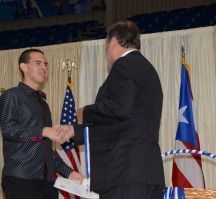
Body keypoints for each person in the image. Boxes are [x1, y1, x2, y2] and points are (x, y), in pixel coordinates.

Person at [56, 20, 165, 199]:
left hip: (123, 173)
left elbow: (119, 109)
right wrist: (74, 132)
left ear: (113, 41)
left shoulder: (125, 65)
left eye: (106, 44)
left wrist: (86, 112)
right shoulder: (146, 68)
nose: (106, 50)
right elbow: (120, 124)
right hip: (142, 173)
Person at [0, 48, 84, 199]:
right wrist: (43, 130)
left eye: (45, 64)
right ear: (23, 67)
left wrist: (68, 172)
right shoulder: (11, 95)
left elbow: (45, 149)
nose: (44, 67)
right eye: (38, 63)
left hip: (47, 182)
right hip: (21, 178)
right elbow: (8, 129)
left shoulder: (44, 104)